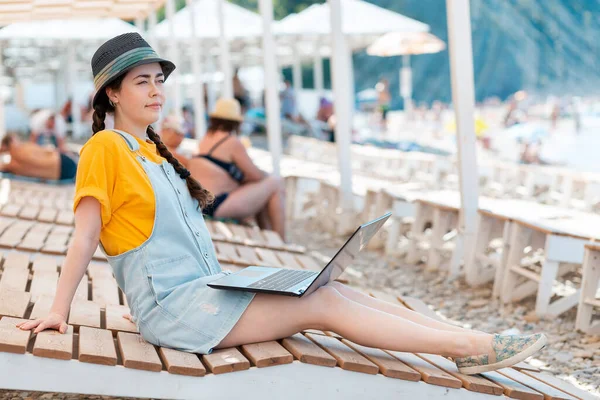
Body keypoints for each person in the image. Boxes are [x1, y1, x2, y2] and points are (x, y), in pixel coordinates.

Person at [16, 33, 547, 376]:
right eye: (141, 82)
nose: (156, 91)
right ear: (112, 93)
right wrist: (59, 311)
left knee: (330, 285)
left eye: (159, 80)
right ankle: (468, 347)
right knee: (322, 304)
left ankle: (470, 339)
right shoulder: (106, 148)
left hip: (206, 292)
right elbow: (84, 234)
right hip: (176, 311)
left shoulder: (154, 150)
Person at [187, 98, 286, 240]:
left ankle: (270, 237)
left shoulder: (206, 139)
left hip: (201, 204)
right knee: (275, 183)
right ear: (236, 122)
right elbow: (256, 175)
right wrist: (263, 174)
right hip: (217, 204)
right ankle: (281, 240)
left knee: (264, 190)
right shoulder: (231, 142)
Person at [0, 133, 78, 181]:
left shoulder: (12, 166)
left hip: (59, 175)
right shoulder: (25, 147)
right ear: (12, 140)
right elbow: (48, 150)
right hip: (62, 161)